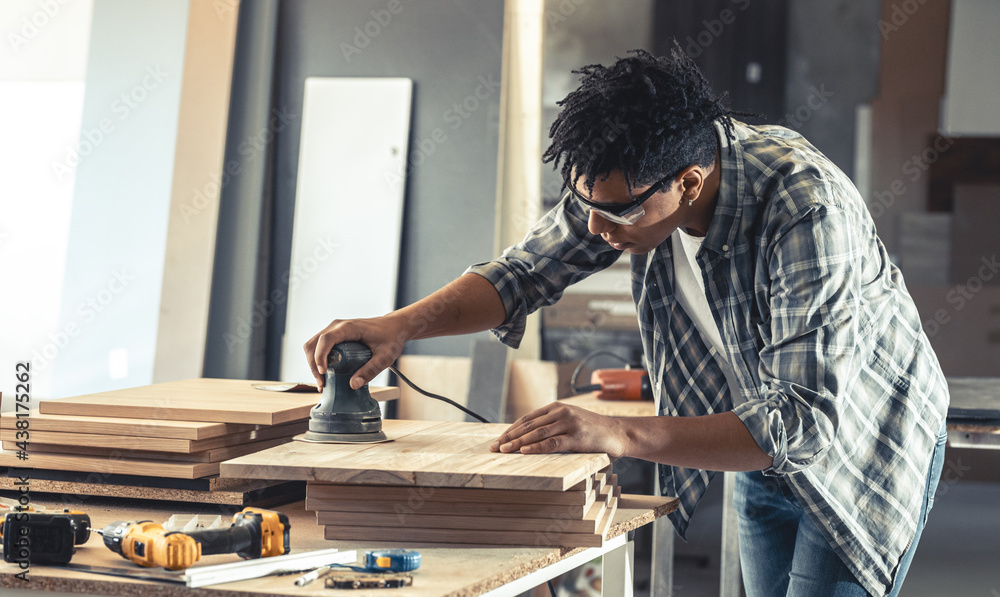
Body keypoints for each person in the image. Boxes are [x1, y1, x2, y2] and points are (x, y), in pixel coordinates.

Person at [304, 45, 948, 597]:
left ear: (690, 185)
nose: (592, 228)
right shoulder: (631, 179)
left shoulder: (806, 210)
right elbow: (522, 273)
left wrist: (618, 432)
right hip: (765, 432)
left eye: (616, 213)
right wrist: (400, 326)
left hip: (859, 442)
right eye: (585, 203)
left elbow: (804, 422)